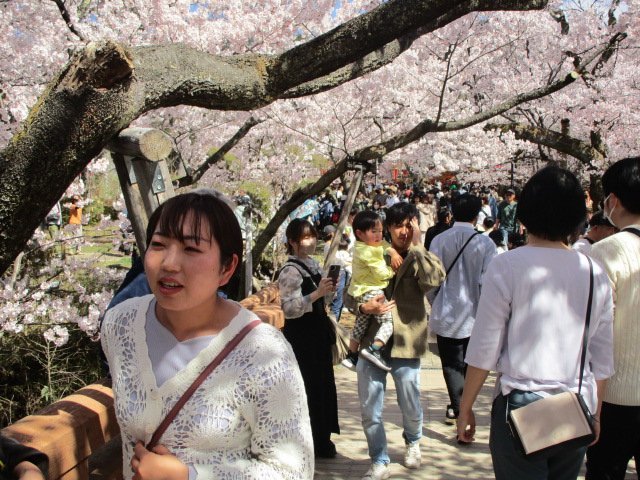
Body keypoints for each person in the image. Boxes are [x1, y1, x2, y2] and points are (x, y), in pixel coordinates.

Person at [101, 191, 313, 479]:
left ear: (226, 269)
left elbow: (293, 471)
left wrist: (189, 475)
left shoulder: (263, 352)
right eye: (159, 244)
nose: (169, 263)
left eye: (191, 249)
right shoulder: (120, 324)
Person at [457, 166, 614, 480]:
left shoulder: (507, 265)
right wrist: (595, 413)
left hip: (520, 404)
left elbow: (485, 347)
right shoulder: (595, 272)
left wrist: (465, 406)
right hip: (574, 405)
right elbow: (602, 354)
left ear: (525, 214)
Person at [356, 202, 445, 479]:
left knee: (410, 399)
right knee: (370, 407)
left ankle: (413, 441)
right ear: (389, 228)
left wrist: (418, 246)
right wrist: (362, 308)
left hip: (407, 339)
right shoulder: (373, 253)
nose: (403, 231)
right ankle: (379, 458)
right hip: (373, 343)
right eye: (398, 226)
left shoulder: (422, 256)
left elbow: (433, 281)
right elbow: (351, 291)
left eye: (409, 225)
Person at [586, 157, 640, 480]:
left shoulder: (607, 251)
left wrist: (594, 406)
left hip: (616, 397)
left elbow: (597, 332)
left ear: (614, 201)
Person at [428, 194, 497, 425]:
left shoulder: (439, 240)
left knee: (450, 363)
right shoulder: (486, 243)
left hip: (447, 310)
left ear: (451, 213)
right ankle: (462, 408)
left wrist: (435, 300)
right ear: (478, 215)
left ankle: (458, 408)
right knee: (469, 363)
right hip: (475, 313)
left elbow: (431, 279)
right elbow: (487, 283)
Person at [278, 218, 340, 459]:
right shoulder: (290, 271)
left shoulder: (312, 264)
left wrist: (326, 293)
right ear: (292, 242)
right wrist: (316, 294)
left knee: (323, 386)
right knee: (309, 388)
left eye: (312, 236)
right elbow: (289, 309)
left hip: (318, 334)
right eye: (305, 238)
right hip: (302, 338)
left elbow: (319, 301)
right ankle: (311, 441)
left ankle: (323, 437)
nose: (311, 241)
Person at [343, 211, 396, 372]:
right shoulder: (367, 251)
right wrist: (393, 269)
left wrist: (391, 251)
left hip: (360, 291)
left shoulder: (368, 245)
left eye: (381, 231)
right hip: (371, 290)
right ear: (359, 233)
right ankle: (374, 349)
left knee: (361, 323)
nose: (379, 235)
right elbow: (381, 273)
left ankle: (351, 354)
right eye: (374, 231)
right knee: (388, 322)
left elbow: (384, 245)